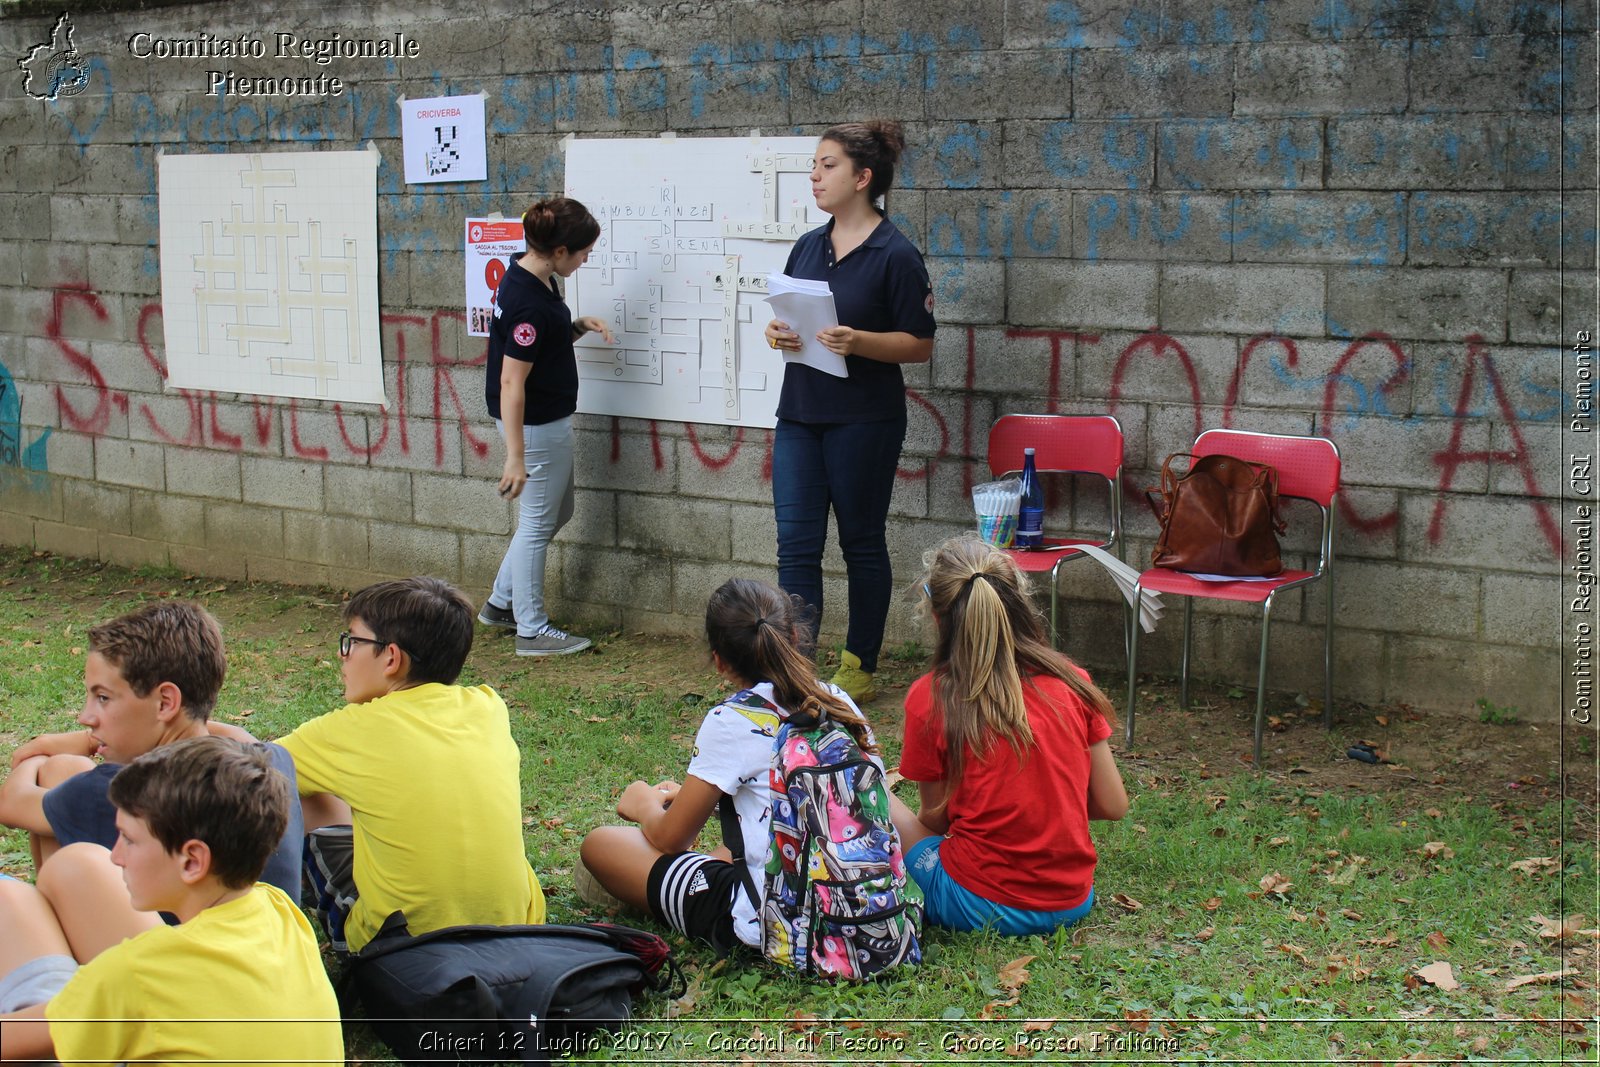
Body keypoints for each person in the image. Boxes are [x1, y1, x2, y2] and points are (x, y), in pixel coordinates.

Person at [577, 577, 881, 953]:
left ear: (719, 660)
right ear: (795, 636)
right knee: (734, 847)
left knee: (601, 845)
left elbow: (673, 839)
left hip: (785, 925)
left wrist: (642, 804)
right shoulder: (836, 700)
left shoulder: (731, 719)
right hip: (875, 910)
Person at [0, 736, 343, 1064]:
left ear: (193, 861)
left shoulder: (140, 973)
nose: (115, 856)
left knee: (8, 899)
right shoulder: (279, 910)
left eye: (129, 840)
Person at [274, 576, 546, 954]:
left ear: (391, 657)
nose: (343, 654)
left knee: (305, 793)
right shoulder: (488, 707)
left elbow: (252, 768)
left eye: (352, 642)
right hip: (518, 937)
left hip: (400, 950)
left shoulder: (352, 730)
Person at [764, 120, 936, 704]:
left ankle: (860, 662)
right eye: (815, 164)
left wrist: (859, 341)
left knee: (860, 541)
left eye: (828, 165)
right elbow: (791, 316)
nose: (815, 174)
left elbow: (920, 342)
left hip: (865, 419)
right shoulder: (808, 246)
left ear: (863, 178)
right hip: (800, 414)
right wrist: (778, 335)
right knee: (796, 544)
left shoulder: (896, 255)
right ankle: (798, 665)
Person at [890, 537, 1130, 936]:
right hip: (1072, 901)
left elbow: (935, 821)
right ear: (1019, 601)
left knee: (875, 788)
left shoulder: (931, 697)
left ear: (936, 615)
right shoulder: (1073, 683)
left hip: (977, 905)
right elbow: (1113, 804)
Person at [0, 601, 304, 896]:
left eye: (103, 698)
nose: (85, 717)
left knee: (58, 769)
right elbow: (221, 730)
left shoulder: (122, 792)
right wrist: (90, 739)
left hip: (167, 943)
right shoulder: (273, 760)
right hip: (267, 936)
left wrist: (37, 752)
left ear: (165, 702)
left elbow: (11, 803)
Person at [479, 196, 616, 656]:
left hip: (544, 420)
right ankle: (531, 629)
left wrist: (575, 327)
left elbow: (535, 349)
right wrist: (515, 455)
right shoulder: (529, 303)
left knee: (557, 512)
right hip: (535, 425)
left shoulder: (528, 274)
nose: (585, 260)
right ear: (559, 251)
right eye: (582, 253)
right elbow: (511, 381)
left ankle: (501, 603)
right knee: (538, 523)